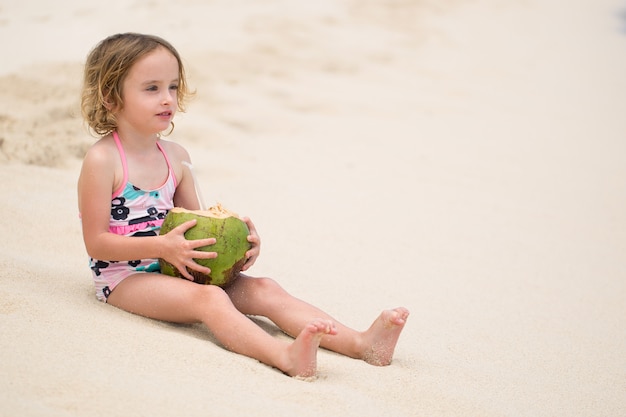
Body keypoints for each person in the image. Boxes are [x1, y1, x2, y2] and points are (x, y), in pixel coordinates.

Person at [77, 32, 409, 378]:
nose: (167, 99)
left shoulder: (176, 158)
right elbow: (96, 243)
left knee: (265, 288)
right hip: (126, 279)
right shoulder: (104, 160)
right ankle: (284, 356)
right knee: (210, 301)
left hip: (177, 265)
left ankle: (360, 343)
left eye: (173, 87)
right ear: (111, 97)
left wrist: (239, 250)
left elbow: (198, 224)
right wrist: (163, 246)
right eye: (152, 88)